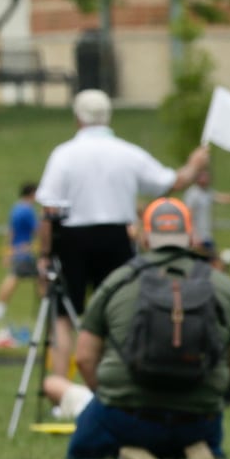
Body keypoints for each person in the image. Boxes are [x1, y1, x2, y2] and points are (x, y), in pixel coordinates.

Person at [54, 197, 230, 459]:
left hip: (126, 416)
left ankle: (125, 452)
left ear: (145, 237)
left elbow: (84, 357)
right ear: (191, 235)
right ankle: (193, 451)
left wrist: (112, 396)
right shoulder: (221, 285)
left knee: (82, 454)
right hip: (198, 418)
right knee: (200, 430)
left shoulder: (117, 281)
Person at [35, 89, 210, 377]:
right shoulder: (127, 152)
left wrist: (44, 254)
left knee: (63, 318)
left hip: (72, 239)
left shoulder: (64, 155)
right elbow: (172, 182)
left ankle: (59, 387)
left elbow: (49, 209)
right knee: (119, 311)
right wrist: (195, 163)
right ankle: (119, 379)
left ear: (78, 118)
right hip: (117, 238)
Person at [0, 181, 40, 347]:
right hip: (24, 251)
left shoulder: (16, 208)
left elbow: (11, 231)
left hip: (17, 250)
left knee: (25, 277)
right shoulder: (27, 210)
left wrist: (7, 251)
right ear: (32, 193)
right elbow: (38, 230)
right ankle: (0, 307)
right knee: (22, 277)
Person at [182, 165, 230, 260]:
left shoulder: (208, 192)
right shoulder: (192, 194)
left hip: (206, 237)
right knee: (209, 264)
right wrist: (193, 236)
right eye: (203, 176)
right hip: (197, 239)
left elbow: (224, 199)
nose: (206, 178)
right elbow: (187, 215)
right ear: (197, 178)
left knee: (213, 265)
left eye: (207, 176)